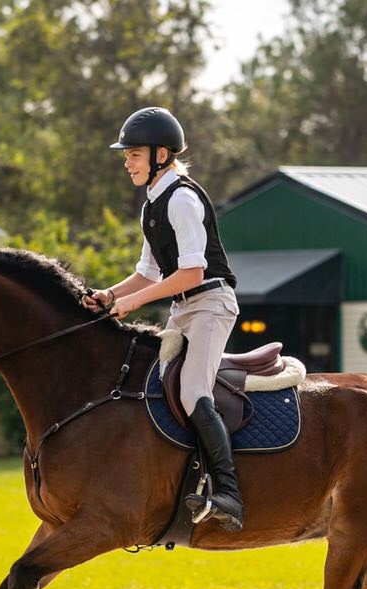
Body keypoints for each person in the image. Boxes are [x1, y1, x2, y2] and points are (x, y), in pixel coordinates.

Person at [82, 106, 244, 531]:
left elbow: (192, 273)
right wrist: (109, 296)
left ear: (161, 154)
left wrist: (133, 304)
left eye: (133, 154)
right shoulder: (152, 204)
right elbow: (148, 273)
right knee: (151, 386)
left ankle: (228, 493)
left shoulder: (183, 199)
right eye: (126, 154)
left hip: (210, 304)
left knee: (192, 392)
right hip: (183, 308)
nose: (126, 161)